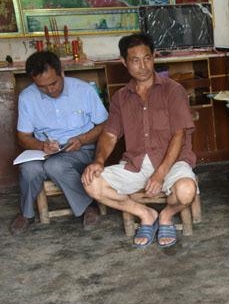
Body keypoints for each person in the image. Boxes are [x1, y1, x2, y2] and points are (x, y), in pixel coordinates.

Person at [81, 33, 197, 248]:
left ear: (154, 57)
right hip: (136, 163)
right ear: (124, 62)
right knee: (92, 184)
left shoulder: (173, 90)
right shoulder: (120, 97)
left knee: (186, 191)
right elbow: (110, 134)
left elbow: (179, 135)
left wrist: (160, 174)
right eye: (135, 60)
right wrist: (99, 160)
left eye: (147, 58)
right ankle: (146, 214)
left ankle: (166, 216)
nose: (143, 66)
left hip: (172, 163)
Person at [10, 51, 108, 234]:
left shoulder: (83, 90)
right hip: (45, 151)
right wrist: (42, 146)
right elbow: (23, 136)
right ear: (34, 81)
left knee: (55, 165)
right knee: (29, 169)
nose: (50, 90)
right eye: (42, 87)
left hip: (81, 149)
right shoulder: (27, 98)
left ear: (62, 73)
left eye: (53, 83)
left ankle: (88, 207)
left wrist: (82, 139)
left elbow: (105, 125)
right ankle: (26, 214)